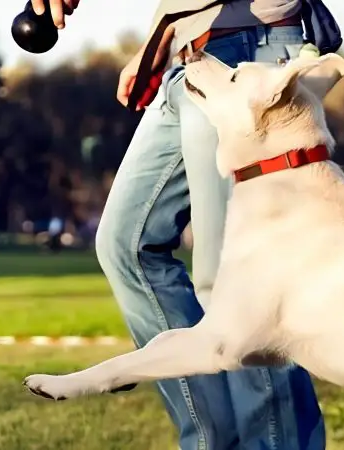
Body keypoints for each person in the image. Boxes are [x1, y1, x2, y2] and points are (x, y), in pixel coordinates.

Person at [31, 1, 326, 449]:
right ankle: (212, 440)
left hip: (249, 59)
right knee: (126, 246)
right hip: (191, 63)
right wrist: (164, 36)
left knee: (238, 289)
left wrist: (160, 34)